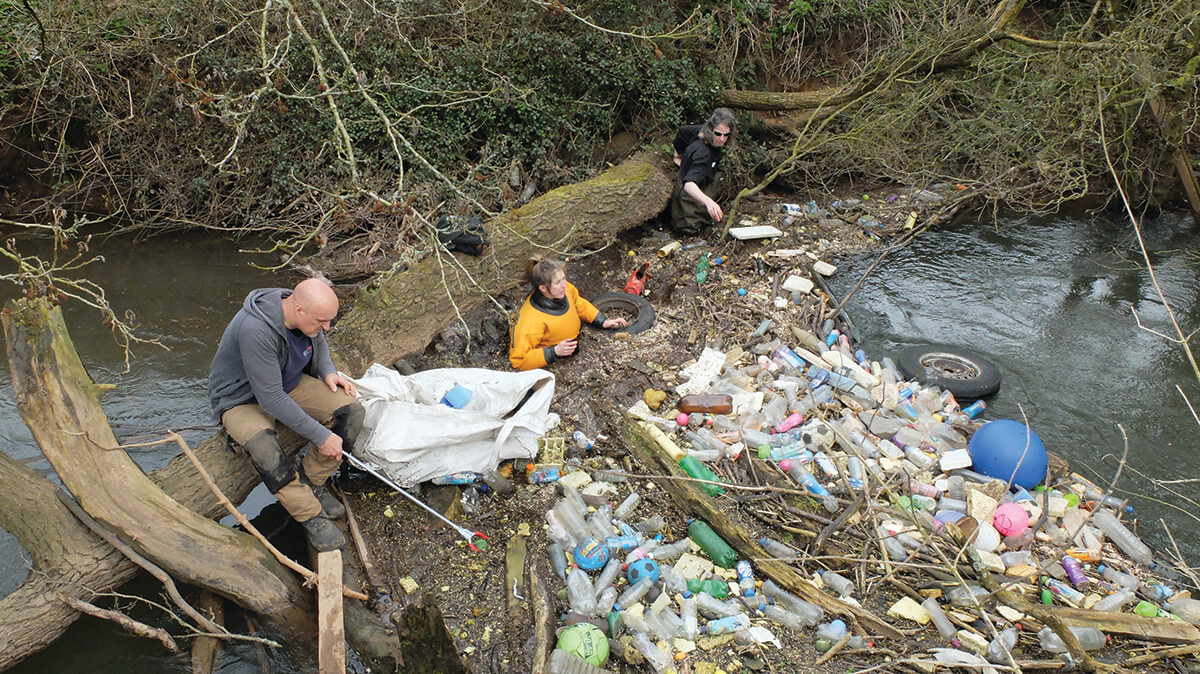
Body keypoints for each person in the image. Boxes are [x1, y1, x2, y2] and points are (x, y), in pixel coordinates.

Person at [208, 278, 364, 552]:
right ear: (298, 309)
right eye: (321, 321)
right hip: (243, 398)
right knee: (264, 447)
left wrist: (328, 371)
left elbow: (319, 342)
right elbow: (270, 399)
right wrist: (321, 436)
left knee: (350, 411)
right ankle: (309, 515)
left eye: (329, 321)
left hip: (285, 382)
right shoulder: (256, 329)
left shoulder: (305, 314)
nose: (326, 327)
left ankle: (312, 480)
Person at [509, 257, 628, 370]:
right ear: (543, 288)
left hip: (572, 343)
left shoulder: (564, 290)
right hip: (555, 355)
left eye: (564, 278)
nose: (564, 285)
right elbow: (518, 360)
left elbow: (578, 303)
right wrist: (554, 352)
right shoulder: (530, 321)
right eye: (557, 282)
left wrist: (602, 321)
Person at [670, 108, 737, 236]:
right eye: (718, 134)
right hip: (687, 197)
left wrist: (676, 156)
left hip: (697, 177)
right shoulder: (703, 154)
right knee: (689, 226)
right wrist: (708, 202)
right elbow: (689, 184)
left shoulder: (699, 131)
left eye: (726, 135)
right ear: (710, 130)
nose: (722, 139)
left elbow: (682, 131)